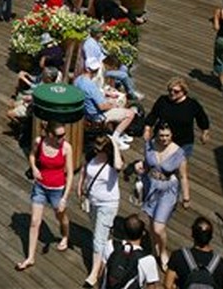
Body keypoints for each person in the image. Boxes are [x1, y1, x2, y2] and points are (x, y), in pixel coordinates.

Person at [15, 120, 74, 271]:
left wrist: (64, 198)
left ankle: (66, 236)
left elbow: (71, 174)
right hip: (40, 187)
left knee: (61, 217)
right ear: (49, 134)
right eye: (59, 135)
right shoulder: (39, 142)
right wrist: (34, 168)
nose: (63, 138)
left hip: (57, 190)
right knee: (35, 222)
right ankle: (30, 257)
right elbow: (32, 155)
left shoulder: (66, 148)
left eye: (64, 135)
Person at [138, 122, 190, 270]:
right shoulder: (149, 145)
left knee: (159, 227)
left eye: (167, 136)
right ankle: (155, 247)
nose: (164, 139)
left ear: (172, 135)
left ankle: (163, 251)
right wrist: (140, 167)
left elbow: (184, 176)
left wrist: (186, 197)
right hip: (150, 185)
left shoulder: (179, 153)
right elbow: (147, 164)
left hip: (168, 190)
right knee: (151, 219)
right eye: (161, 135)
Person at [79, 132, 125, 288]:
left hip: (108, 203)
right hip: (92, 200)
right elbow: (86, 170)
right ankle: (106, 254)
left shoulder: (113, 161)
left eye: (101, 147)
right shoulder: (91, 154)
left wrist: (115, 144)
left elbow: (119, 166)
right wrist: (81, 186)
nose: (97, 150)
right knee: (97, 232)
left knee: (98, 238)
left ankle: (94, 273)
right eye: (96, 146)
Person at [143, 78, 210, 159]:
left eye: (176, 91)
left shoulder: (192, 105)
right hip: (162, 139)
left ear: (184, 91)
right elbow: (153, 115)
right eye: (170, 90)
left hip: (182, 142)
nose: (172, 93)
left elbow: (202, 118)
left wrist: (205, 133)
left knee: (178, 165)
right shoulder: (162, 100)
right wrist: (147, 129)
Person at [74, 58, 138, 139]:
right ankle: (115, 137)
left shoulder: (78, 80)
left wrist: (105, 94)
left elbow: (92, 96)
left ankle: (117, 130)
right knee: (130, 114)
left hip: (86, 111)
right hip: (96, 116)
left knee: (116, 101)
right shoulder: (90, 86)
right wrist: (113, 105)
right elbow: (102, 106)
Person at [164, 216, 223, 289]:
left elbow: (168, 285)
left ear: (192, 234)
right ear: (211, 237)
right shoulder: (222, 264)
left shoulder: (179, 256)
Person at [101, 214, 161, 288]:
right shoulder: (147, 259)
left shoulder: (111, 245)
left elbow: (101, 272)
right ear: (143, 233)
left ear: (124, 230)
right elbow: (151, 286)